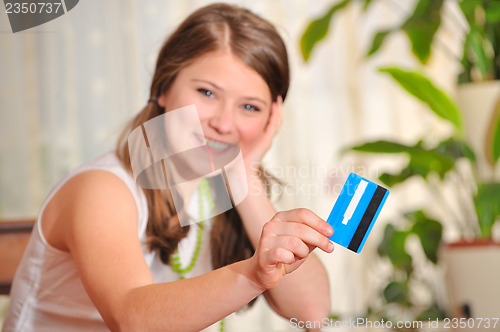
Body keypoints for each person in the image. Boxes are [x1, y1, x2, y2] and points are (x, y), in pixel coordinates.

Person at [3, 3, 334, 331]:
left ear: (270, 120)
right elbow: (131, 318)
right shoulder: (102, 189)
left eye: (249, 106)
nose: (223, 122)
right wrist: (253, 275)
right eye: (207, 92)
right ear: (163, 87)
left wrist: (244, 178)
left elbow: (312, 312)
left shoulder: (215, 193)